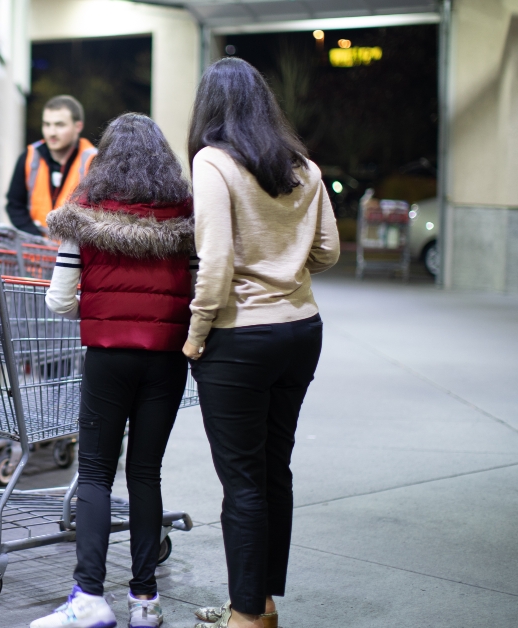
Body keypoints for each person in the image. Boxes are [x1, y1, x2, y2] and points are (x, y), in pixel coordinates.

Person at [182, 58, 339, 628]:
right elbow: (327, 253)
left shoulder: (213, 162)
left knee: (242, 481)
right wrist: (284, 263)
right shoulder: (303, 167)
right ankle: (261, 601)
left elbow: (216, 262)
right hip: (302, 331)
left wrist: (195, 337)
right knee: (275, 469)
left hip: (240, 338)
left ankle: (246, 616)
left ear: (210, 107)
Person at [34, 113, 197, 628]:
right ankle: (145, 602)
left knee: (98, 473)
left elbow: (60, 302)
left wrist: (96, 297)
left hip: (107, 357)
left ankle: (88, 598)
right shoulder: (184, 214)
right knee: (147, 473)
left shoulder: (85, 211)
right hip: (167, 358)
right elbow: (196, 288)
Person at [5, 95, 98, 235]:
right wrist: (35, 238)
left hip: (74, 252)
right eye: (47, 125)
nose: (51, 132)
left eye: (59, 125)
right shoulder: (29, 157)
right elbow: (14, 205)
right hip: (35, 251)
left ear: (78, 126)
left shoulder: (95, 162)